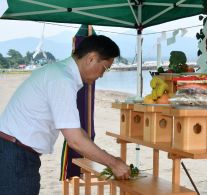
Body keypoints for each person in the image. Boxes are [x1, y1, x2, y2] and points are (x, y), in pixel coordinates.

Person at [0, 35, 130, 195]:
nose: (102, 75)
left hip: (12, 150)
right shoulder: (62, 80)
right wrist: (113, 163)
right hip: (16, 156)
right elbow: (75, 140)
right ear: (91, 59)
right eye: (105, 68)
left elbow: (74, 129)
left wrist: (103, 155)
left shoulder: (58, 73)